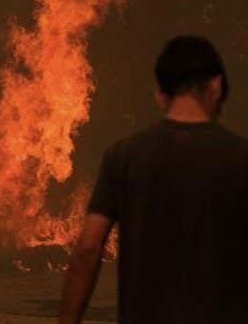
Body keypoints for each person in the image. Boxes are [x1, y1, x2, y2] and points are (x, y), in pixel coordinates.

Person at [59, 36, 248, 323]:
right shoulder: (241, 157)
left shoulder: (123, 156)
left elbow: (88, 248)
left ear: (160, 95)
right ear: (217, 86)